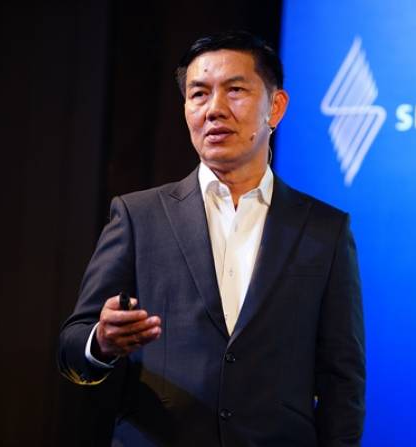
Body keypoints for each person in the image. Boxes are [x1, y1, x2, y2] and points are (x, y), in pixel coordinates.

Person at [58, 31, 365, 447]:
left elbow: (342, 381)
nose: (215, 109)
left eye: (235, 90)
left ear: (275, 107)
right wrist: (102, 341)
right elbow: (72, 348)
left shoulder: (324, 230)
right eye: (199, 94)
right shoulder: (138, 216)